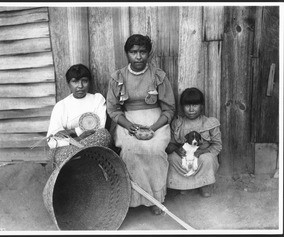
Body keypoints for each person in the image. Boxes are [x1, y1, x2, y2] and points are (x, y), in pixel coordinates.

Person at [106, 34, 176, 215]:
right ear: (127, 54)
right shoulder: (118, 77)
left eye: (143, 52)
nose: (138, 57)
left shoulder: (158, 76)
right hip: (128, 119)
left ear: (149, 54)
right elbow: (113, 109)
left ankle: (155, 199)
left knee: (155, 150)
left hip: (155, 120)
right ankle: (133, 198)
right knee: (129, 151)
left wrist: (153, 128)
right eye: (133, 52)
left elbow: (169, 109)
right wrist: (128, 125)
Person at [46, 64, 111, 166]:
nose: (80, 86)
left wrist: (71, 132)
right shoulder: (61, 106)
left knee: (104, 135)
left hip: (92, 143)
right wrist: (78, 139)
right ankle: (81, 159)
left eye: (84, 81)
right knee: (57, 154)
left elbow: (99, 127)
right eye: (75, 81)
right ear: (68, 84)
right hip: (69, 148)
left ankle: (75, 159)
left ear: (89, 82)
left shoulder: (97, 100)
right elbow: (52, 139)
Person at [166, 87, 222, 197]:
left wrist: (203, 151)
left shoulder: (210, 123)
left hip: (201, 156)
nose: (191, 109)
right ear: (182, 107)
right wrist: (177, 150)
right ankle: (183, 184)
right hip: (184, 158)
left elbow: (217, 145)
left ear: (201, 106)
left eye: (195, 105)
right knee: (172, 158)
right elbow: (171, 144)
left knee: (208, 159)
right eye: (187, 105)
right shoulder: (177, 123)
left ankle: (204, 184)